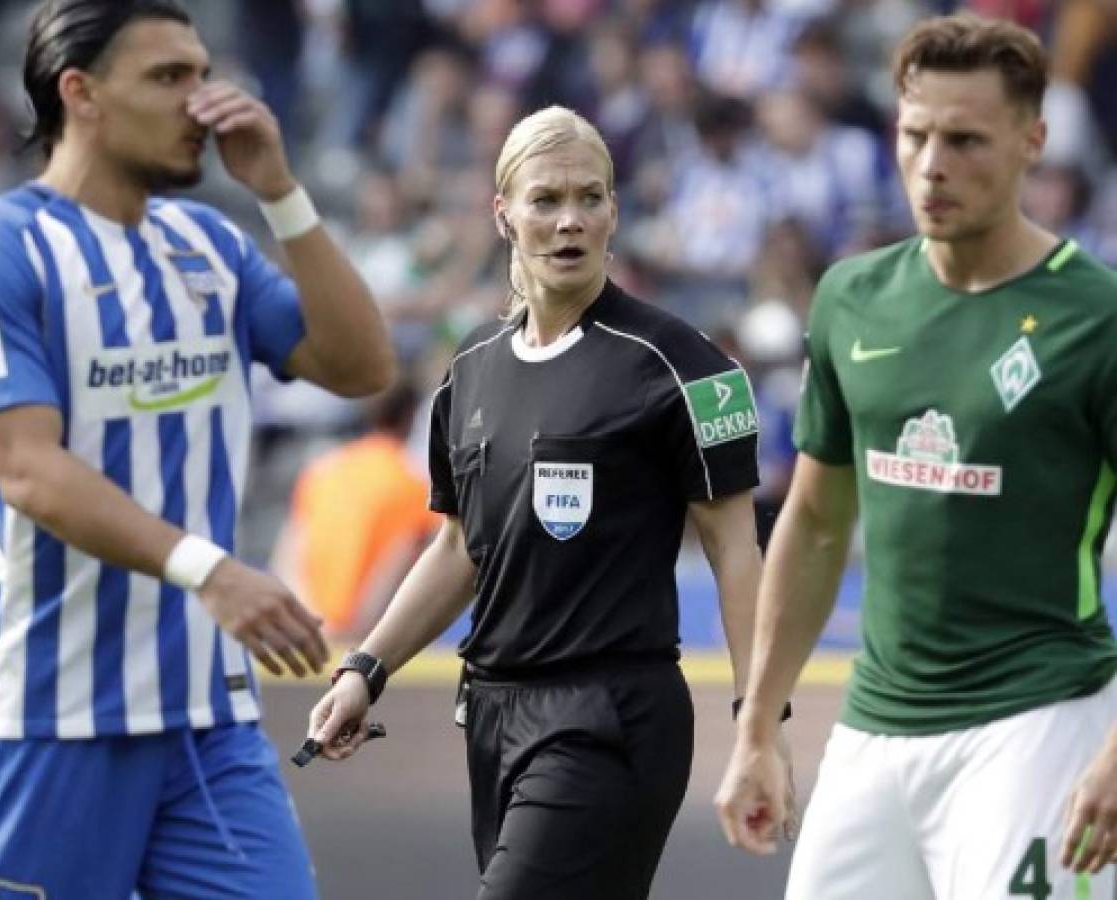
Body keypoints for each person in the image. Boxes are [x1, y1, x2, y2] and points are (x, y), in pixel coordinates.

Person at [0, 1, 395, 897]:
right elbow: (28, 468)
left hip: (203, 721)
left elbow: (360, 363)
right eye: (169, 77)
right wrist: (211, 571)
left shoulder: (209, 244)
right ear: (82, 93)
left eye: (203, 74)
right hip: (46, 718)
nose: (203, 103)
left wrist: (281, 195)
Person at [306, 104, 787, 900]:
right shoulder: (470, 367)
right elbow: (460, 547)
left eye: (589, 198)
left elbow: (736, 550)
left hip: (612, 717)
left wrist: (759, 725)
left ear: (614, 212)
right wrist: (365, 667)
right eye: (546, 200)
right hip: (492, 716)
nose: (569, 221)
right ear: (503, 216)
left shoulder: (683, 366)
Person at [716, 13, 1117, 899]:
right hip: (872, 732)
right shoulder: (853, 297)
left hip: (1038, 725)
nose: (931, 165)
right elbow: (816, 525)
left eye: (965, 139)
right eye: (914, 134)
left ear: (1032, 141)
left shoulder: (1099, 320)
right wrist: (756, 730)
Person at [272, 380, 438, 639]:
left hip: (307, 630)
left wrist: (308, 620)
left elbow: (291, 551)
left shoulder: (324, 470)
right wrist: (358, 637)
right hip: (359, 637)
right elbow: (396, 567)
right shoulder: (413, 486)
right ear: (411, 417)